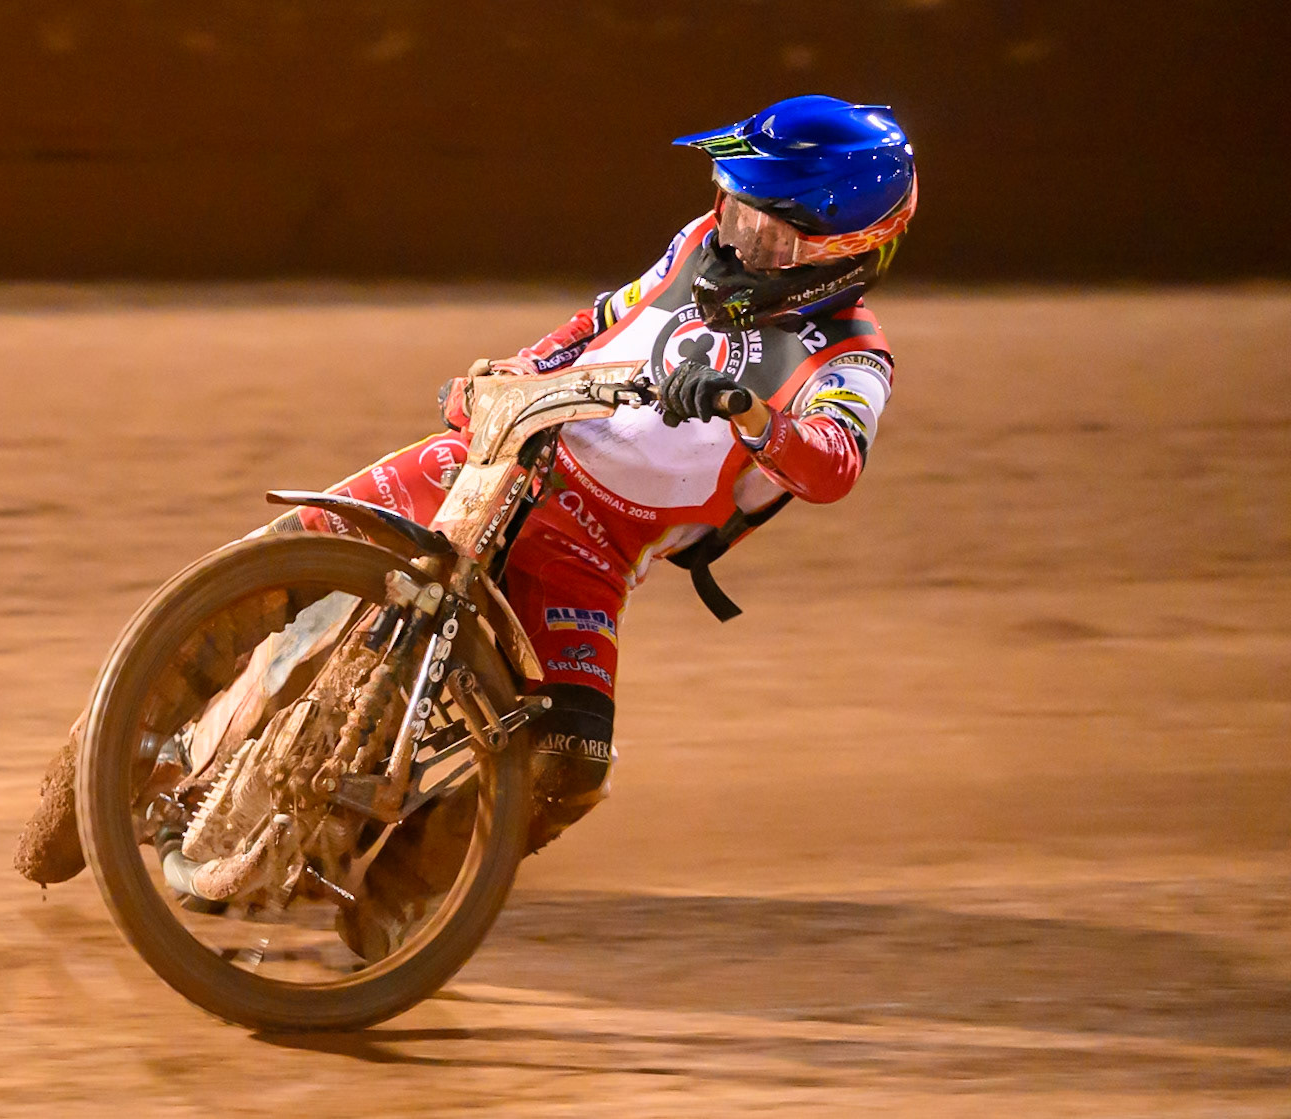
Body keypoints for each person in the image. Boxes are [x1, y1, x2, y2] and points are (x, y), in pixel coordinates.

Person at [260, 94, 919, 957]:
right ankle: (148, 715)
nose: (732, 235)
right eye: (732, 204)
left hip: (591, 553)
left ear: (837, 255)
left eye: (763, 228)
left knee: (567, 764)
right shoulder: (696, 244)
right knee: (292, 549)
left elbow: (833, 463)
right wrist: (517, 369)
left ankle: (401, 894)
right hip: (505, 461)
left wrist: (756, 416)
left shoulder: (852, 357)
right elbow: (599, 322)